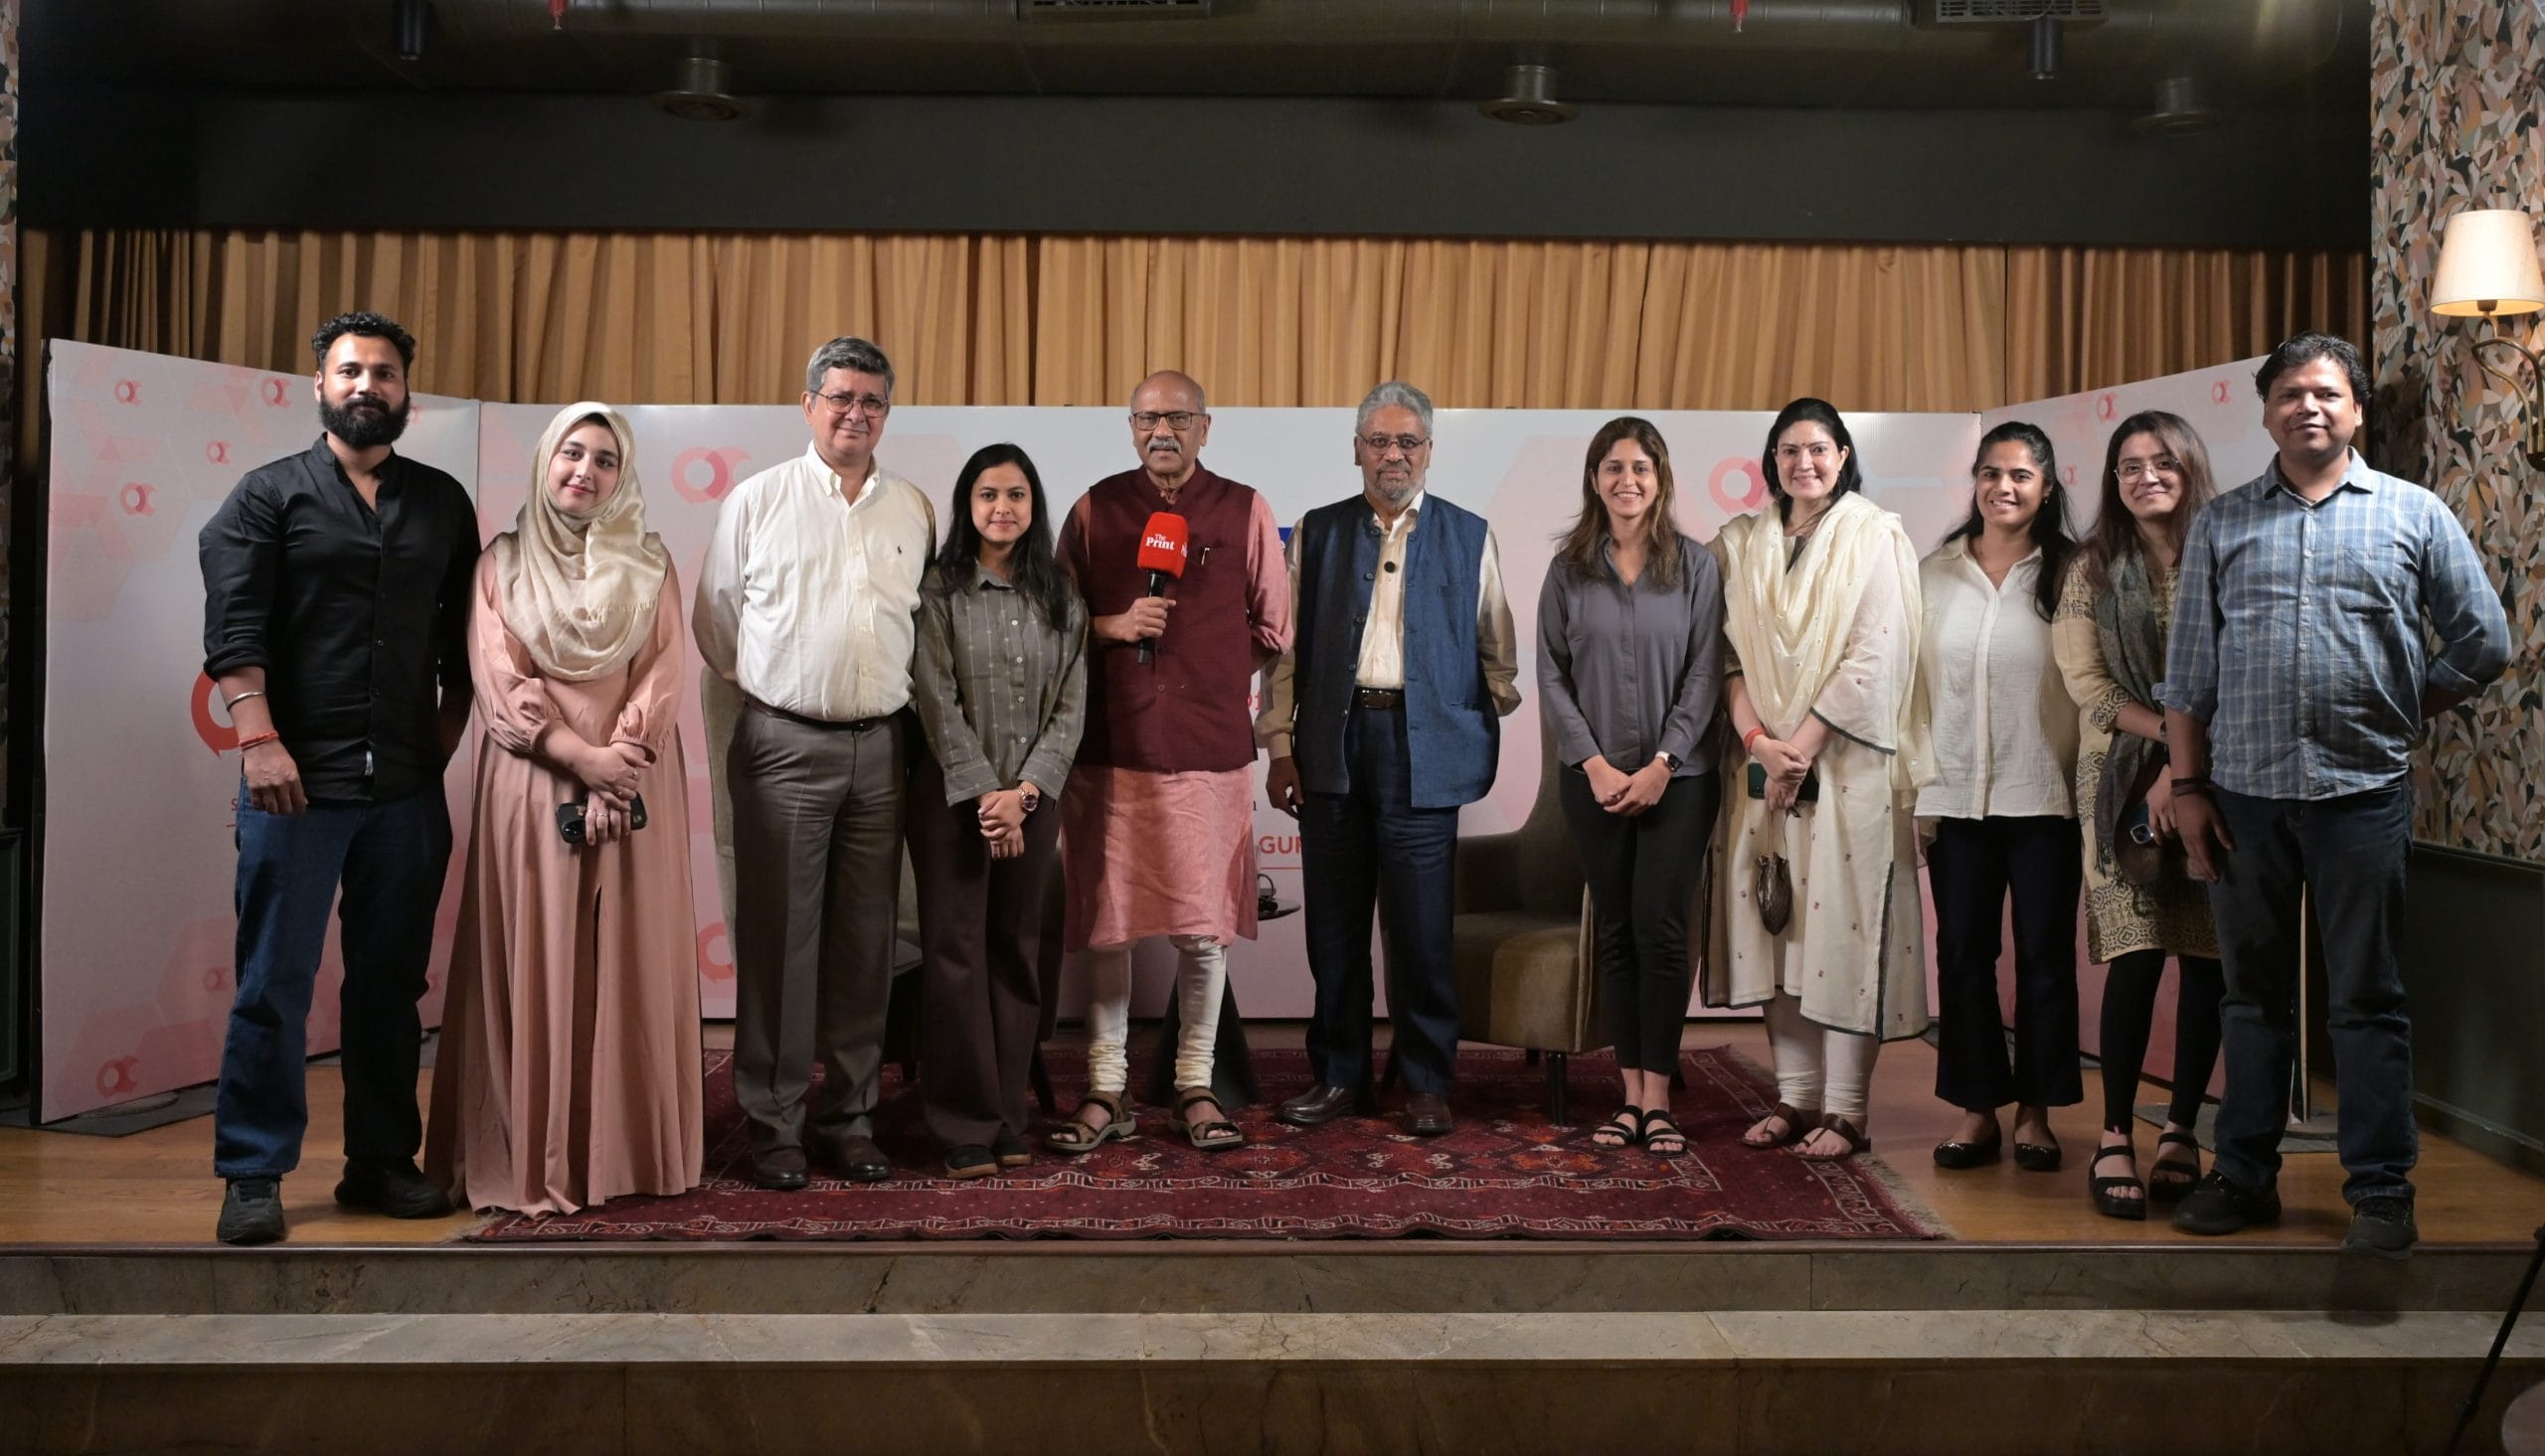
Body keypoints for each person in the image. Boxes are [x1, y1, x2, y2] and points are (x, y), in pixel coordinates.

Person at [2162, 332, 2510, 1255]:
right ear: (2266, 412)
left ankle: (2382, 1191)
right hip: (2243, 798)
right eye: (2289, 393)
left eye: (2325, 393)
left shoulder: (2414, 514)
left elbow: (2485, 640)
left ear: (2355, 410)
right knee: (2251, 996)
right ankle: (2243, 1174)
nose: (2307, 407)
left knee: (2368, 997)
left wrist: (2403, 704)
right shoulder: (2222, 523)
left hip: (2363, 794)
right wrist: (2188, 787)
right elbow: (2188, 676)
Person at [197, 310, 480, 1244]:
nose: (368, 385)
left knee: (390, 984)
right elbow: (234, 625)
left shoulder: (442, 502)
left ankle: (381, 1161)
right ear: (319, 385)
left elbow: (463, 642)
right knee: (273, 980)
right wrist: (258, 742)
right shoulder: (266, 495)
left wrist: (438, 745)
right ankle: (253, 1171)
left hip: (405, 790)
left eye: (385, 373)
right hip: (293, 780)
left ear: (407, 393)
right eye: (351, 371)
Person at [424, 404, 702, 1214]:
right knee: (536, 953)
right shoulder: (500, 563)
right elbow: (498, 678)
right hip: (536, 778)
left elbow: (664, 668)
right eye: (572, 453)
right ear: (546, 462)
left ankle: (628, 1153)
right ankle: (531, 1155)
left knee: (632, 960)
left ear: (624, 476)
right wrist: (586, 761)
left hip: (634, 780)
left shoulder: (651, 562)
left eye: (606, 459)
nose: (586, 470)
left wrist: (622, 762)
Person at [694, 335, 935, 1191]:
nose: (854, 413)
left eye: (871, 400)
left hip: (883, 748)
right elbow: (717, 622)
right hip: (784, 744)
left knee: (868, 946)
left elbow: (918, 628)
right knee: (780, 946)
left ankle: (850, 1119)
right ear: (808, 405)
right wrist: (788, 695)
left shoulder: (913, 508)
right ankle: (774, 1124)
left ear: (887, 413)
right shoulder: (757, 500)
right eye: (840, 397)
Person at [1262, 381, 1521, 1137]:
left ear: (1429, 451)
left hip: (1422, 751)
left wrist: (1455, 719)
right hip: (1332, 747)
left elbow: (1497, 653)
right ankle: (1339, 1076)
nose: (1393, 455)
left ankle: (1425, 1081)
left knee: (1420, 932)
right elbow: (1285, 653)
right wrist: (1280, 744)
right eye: (1379, 441)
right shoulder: (1317, 532)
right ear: (1357, 451)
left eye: (1408, 442)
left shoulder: (1470, 535)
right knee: (1334, 931)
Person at [1049, 370, 1289, 1155]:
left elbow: (1273, 627)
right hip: (1109, 750)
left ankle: (1195, 1083)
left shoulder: (1246, 508)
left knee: (1202, 930)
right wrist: (1115, 627)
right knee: (1108, 928)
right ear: (1130, 428)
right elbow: (1052, 623)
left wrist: (1207, 674)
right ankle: (1106, 1086)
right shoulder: (1094, 510)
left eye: (1179, 418)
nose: (1163, 431)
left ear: (1205, 427)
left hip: (1208, 753)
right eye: (1149, 418)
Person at [1708, 398, 1933, 1161]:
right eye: (1789, 450)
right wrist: (1761, 745)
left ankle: (1846, 1112)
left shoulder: (1874, 534)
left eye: (1818, 449)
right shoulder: (1741, 542)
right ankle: (1795, 1097)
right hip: (1760, 767)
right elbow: (1723, 656)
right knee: (1778, 927)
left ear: (1842, 456)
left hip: (1846, 767)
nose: (1803, 462)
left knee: (1843, 928)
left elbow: (1876, 656)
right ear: (1771, 460)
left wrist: (1798, 749)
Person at [2052, 410, 2226, 1220]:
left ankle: (2181, 1128)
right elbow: (2089, 686)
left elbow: (2243, 666)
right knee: (2137, 955)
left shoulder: (2229, 550)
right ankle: (2115, 1133)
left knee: (2208, 961)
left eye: (2162, 461)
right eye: (2128, 465)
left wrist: (2187, 773)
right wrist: (2167, 751)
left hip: (2220, 779)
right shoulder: (2090, 567)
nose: (2146, 476)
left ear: (2190, 467)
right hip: (2118, 781)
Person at [1536, 416, 1724, 1156]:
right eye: (1613, 467)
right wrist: (1595, 764)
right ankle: (1629, 1095)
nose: (1627, 480)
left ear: (1661, 477)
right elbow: (1551, 675)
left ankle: (1660, 1097)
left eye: (1641, 467)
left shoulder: (1697, 566)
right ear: (1594, 479)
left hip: (1680, 779)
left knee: (1661, 929)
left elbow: (1705, 671)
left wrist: (1662, 763)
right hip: (1594, 780)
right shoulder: (1568, 570)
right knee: (1615, 931)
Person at [908, 444, 1088, 1179]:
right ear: (968, 505)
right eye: (988, 495)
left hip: (1033, 802)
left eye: (1016, 495)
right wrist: (987, 793)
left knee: (1017, 950)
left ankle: (1009, 1113)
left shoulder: (1061, 596)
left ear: (1033, 506)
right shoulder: (938, 590)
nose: (1002, 508)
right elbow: (933, 695)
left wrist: (1026, 794)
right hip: (953, 800)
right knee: (955, 956)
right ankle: (963, 1121)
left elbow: (1072, 704)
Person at [1919, 421, 2084, 1177]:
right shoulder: (1933, 572)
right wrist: (1917, 794)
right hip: (1954, 796)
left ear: (2046, 488)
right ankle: (1977, 1107)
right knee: (1962, 955)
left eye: (2020, 475)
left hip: (2045, 793)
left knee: (2044, 957)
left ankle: (2036, 1112)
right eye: (1991, 472)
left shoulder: (2075, 573)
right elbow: (1913, 692)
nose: (2003, 487)